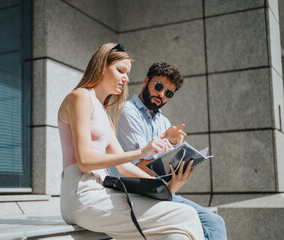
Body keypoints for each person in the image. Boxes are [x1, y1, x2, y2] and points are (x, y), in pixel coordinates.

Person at [58, 43, 205, 240]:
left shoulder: (102, 111)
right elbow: (84, 161)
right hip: (81, 195)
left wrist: (160, 186)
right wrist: (141, 152)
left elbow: (125, 166)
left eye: (127, 73)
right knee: (186, 214)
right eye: (121, 71)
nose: (126, 78)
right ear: (102, 66)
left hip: (100, 192)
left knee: (174, 234)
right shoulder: (80, 97)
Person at [108, 62, 227, 240]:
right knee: (199, 227)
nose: (161, 94)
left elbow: (161, 166)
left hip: (159, 192)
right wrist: (168, 150)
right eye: (158, 86)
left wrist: (177, 154)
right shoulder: (128, 112)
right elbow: (136, 169)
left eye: (168, 93)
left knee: (215, 223)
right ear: (146, 81)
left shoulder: (163, 121)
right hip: (133, 193)